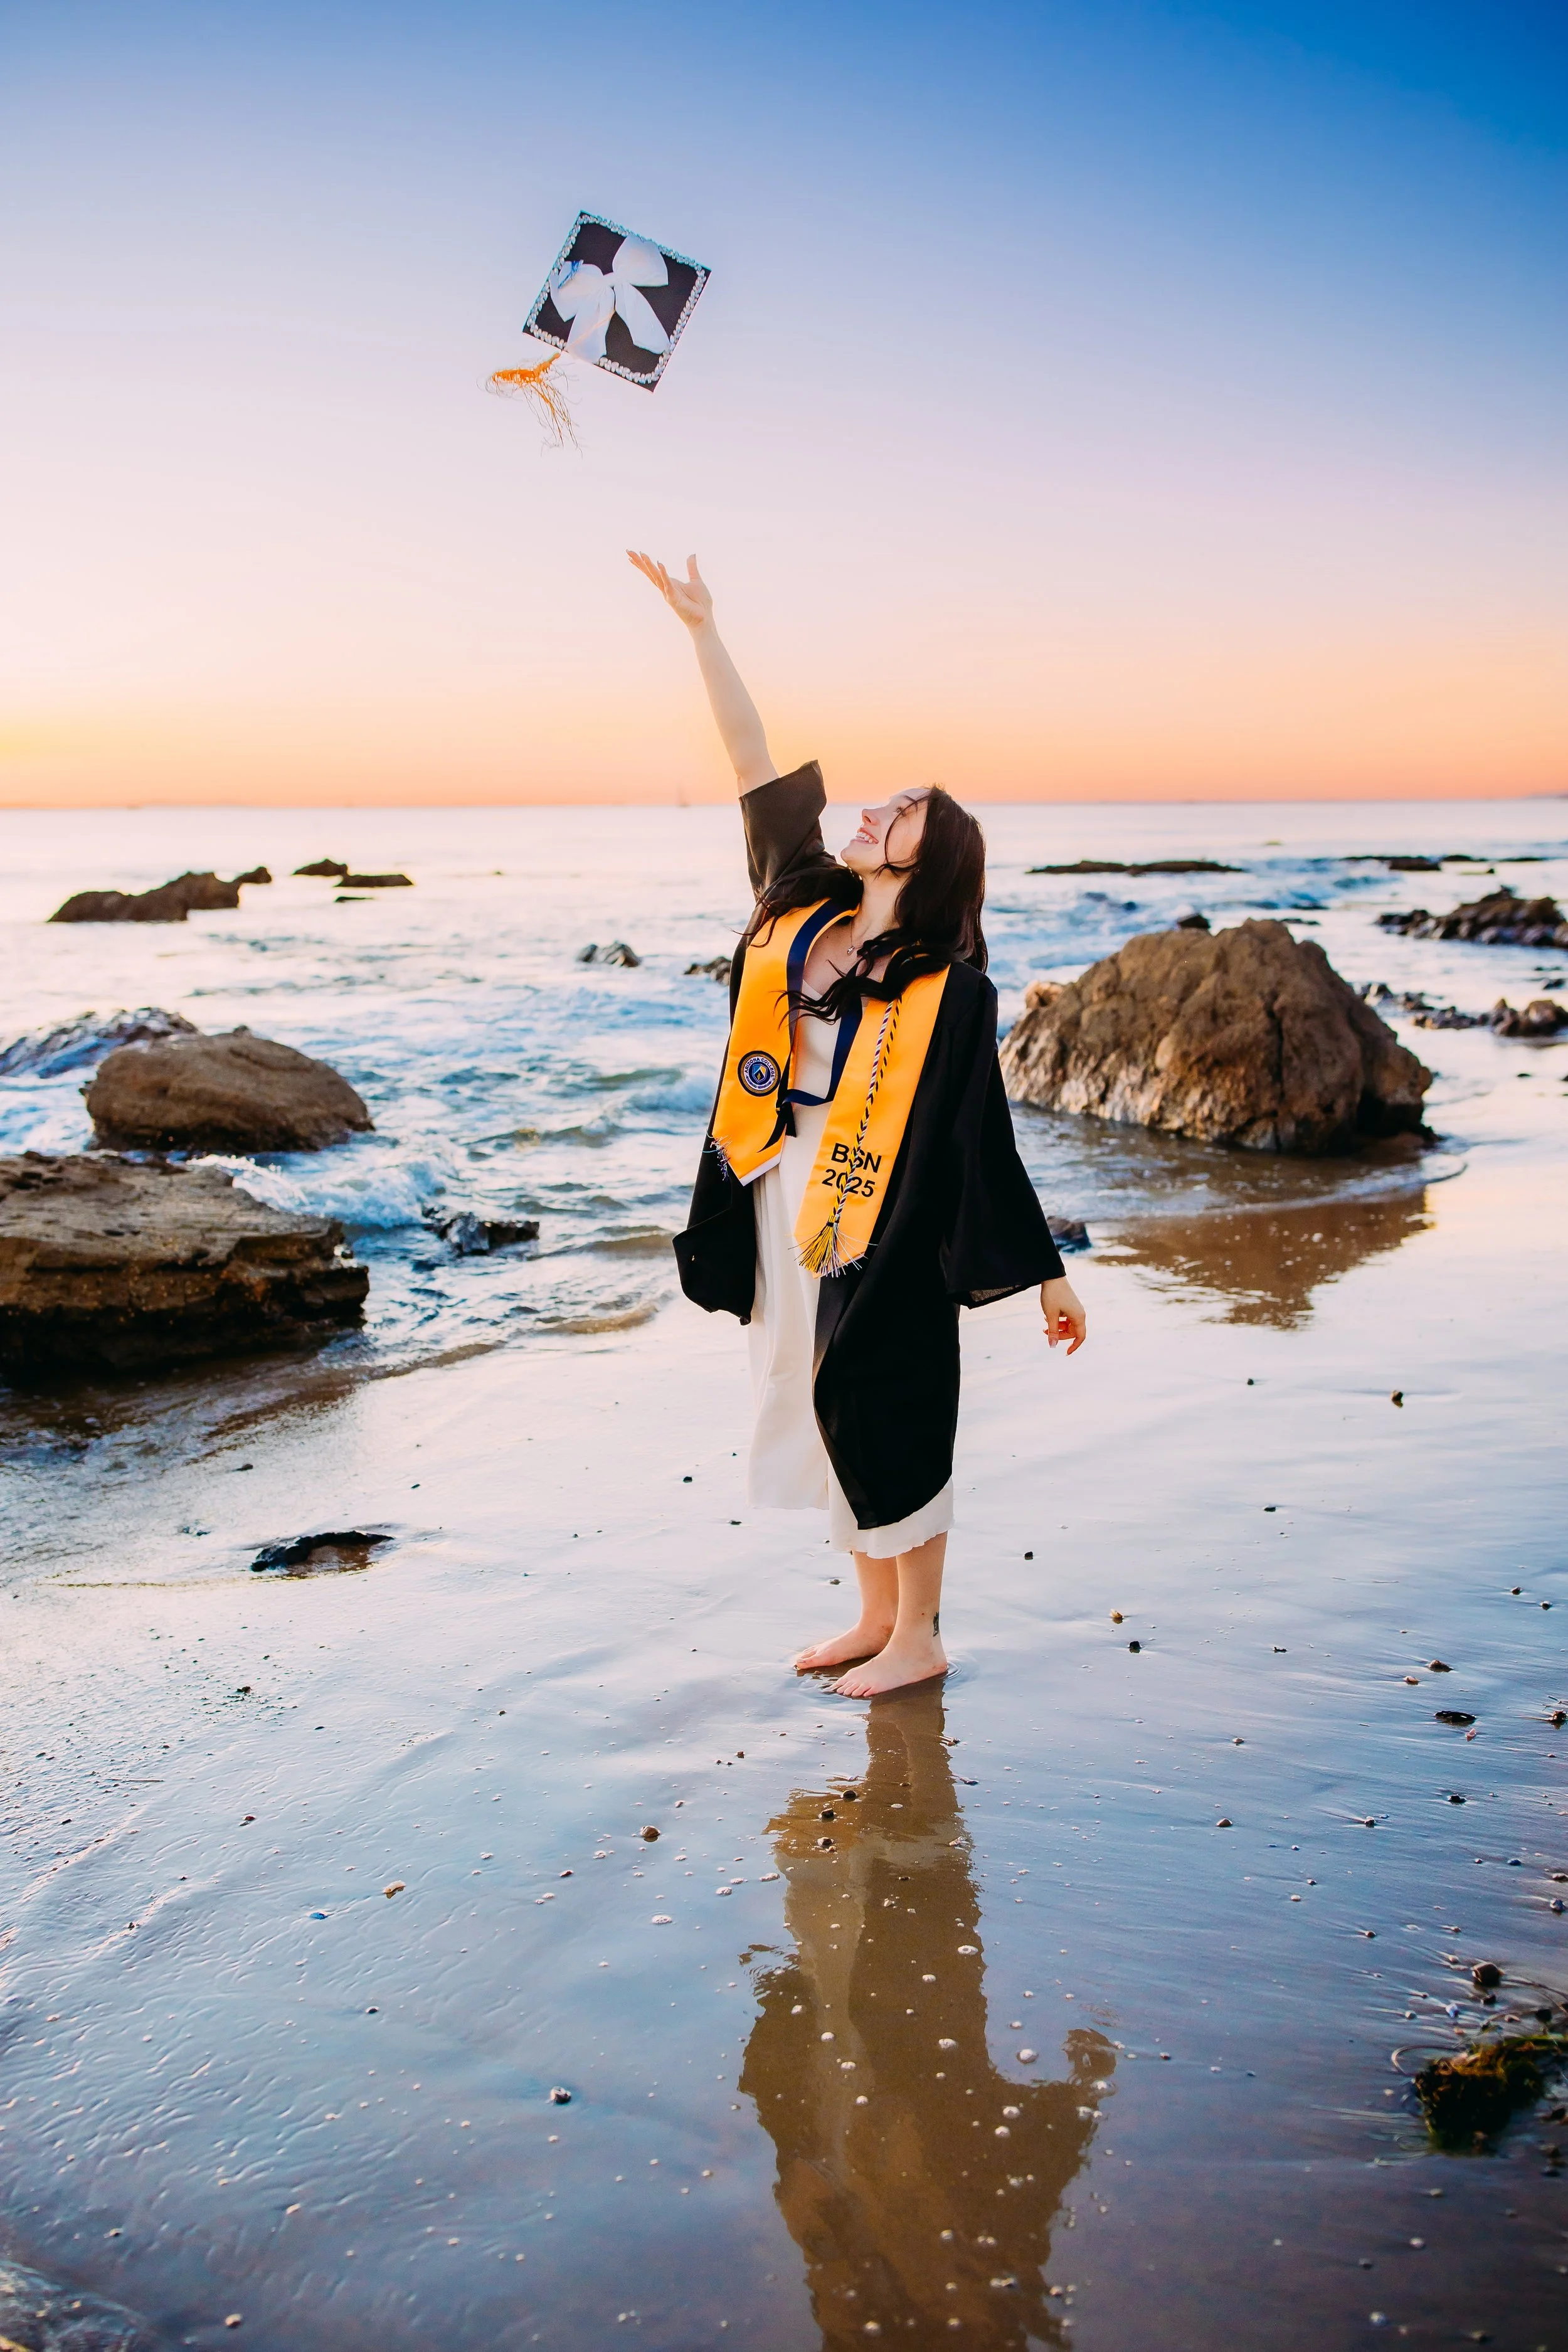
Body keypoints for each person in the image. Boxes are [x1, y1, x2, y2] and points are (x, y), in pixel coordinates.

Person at [629, 552, 1086, 1697]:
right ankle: (875, 1614)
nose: (871, 810)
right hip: (783, 1183)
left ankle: (921, 1631)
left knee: (892, 1397)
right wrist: (702, 629)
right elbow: (752, 759)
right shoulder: (801, 894)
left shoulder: (956, 988)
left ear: (932, 858)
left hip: (886, 1210)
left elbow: (985, 1137)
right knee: (815, 1386)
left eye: (903, 811)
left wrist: (1047, 1273)